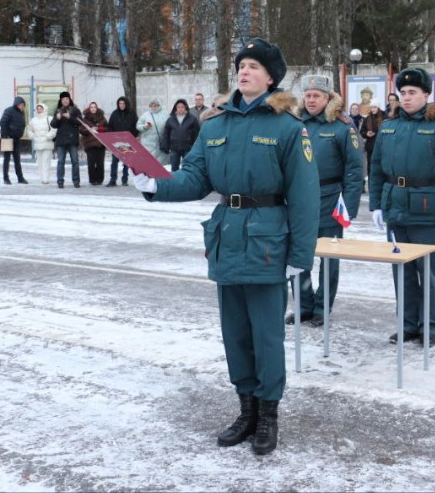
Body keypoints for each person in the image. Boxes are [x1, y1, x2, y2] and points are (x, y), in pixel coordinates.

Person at [132, 37, 318, 456]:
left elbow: (304, 198)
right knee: (235, 333)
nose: (244, 71)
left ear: (271, 78)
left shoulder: (289, 128)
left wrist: (299, 257)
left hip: (269, 240)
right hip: (227, 235)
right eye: (241, 65)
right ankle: (246, 409)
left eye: (254, 66)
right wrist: (154, 185)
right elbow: (195, 178)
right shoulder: (214, 126)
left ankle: (269, 414)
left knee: (267, 335)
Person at [369, 67, 435, 347]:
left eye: (412, 93)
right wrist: (376, 205)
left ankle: (428, 327)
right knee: (402, 271)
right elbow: (376, 168)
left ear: (426, 94)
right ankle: (408, 324)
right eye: (403, 93)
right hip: (395, 207)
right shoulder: (388, 126)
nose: (406, 98)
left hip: (427, 210)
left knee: (427, 271)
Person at [286, 75, 363, 327]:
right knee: (298, 255)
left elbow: (354, 170)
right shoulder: (294, 124)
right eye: (307, 95)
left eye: (316, 95)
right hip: (298, 200)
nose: (310, 100)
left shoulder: (342, 127)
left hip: (330, 199)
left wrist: (349, 208)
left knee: (329, 259)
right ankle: (303, 305)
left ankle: (322, 308)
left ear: (328, 98)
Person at [51, 92, 83, 188]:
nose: (65, 100)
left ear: (70, 100)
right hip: (61, 140)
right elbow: (53, 124)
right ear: (61, 101)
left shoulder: (75, 110)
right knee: (61, 161)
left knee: (75, 161)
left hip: (72, 139)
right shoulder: (58, 110)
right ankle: (60, 181)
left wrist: (70, 118)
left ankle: (76, 181)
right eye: (63, 99)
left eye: (67, 99)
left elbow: (80, 122)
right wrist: (57, 118)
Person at [160, 98, 200, 172]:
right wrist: (165, 146)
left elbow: (196, 133)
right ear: (176, 108)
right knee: (174, 168)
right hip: (174, 148)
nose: (180, 109)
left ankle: (187, 182)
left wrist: (195, 146)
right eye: (178, 107)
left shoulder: (192, 119)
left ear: (185, 108)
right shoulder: (170, 120)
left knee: (188, 167)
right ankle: (175, 182)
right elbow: (166, 133)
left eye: (182, 107)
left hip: (188, 148)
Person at [107, 96, 138, 186]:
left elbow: (136, 126)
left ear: (126, 104)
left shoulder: (131, 114)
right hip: (116, 141)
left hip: (128, 141)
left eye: (123, 103)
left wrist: (132, 136)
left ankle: (125, 179)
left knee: (126, 161)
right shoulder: (114, 114)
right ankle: (113, 179)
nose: (121, 105)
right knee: (114, 161)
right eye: (120, 103)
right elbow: (110, 126)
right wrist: (113, 136)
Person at [0, 96, 28, 185]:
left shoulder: (21, 113)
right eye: (22, 105)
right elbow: (3, 123)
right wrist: (5, 135)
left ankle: (20, 177)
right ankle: (6, 178)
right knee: (7, 159)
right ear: (17, 104)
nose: (23, 106)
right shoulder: (9, 110)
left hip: (17, 138)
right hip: (8, 138)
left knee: (17, 159)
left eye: (23, 105)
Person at [26, 102, 56, 184]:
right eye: (38, 109)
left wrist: (48, 136)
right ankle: (42, 177)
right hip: (37, 144)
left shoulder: (49, 119)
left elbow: (54, 129)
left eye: (40, 108)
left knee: (46, 161)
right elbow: (29, 130)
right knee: (39, 162)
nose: (39, 110)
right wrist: (33, 136)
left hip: (47, 143)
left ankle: (46, 178)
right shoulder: (33, 120)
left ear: (44, 109)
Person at [80, 102, 108, 185]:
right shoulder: (84, 119)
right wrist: (89, 130)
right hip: (90, 143)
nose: (93, 108)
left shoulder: (102, 118)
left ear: (97, 108)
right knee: (91, 163)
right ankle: (92, 180)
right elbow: (81, 130)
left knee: (100, 163)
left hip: (100, 143)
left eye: (94, 107)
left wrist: (99, 128)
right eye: (91, 107)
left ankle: (100, 179)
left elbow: (107, 128)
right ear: (89, 108)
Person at [359, 100, 385, 185]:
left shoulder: (385, 117)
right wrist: (367, 134)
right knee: (371, 168)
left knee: (381, 167)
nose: (373, 109)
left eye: (375, 107)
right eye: (372, 107)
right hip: (371, 147)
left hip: (383, 147)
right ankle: (371, 185)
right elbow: (362, 132)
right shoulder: (368, 118)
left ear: (378, 108)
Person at [137, 99, 170, 166]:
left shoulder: (165, 115)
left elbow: (170, 125)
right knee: (149, 162)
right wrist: (144, 127)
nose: (154, 107)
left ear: (159, 105)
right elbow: (138, 125)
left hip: (161, 143)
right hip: (148, 144)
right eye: (152, 106)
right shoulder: (145, 115)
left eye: (155, 105)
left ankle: (160, 175)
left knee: (161, 163)